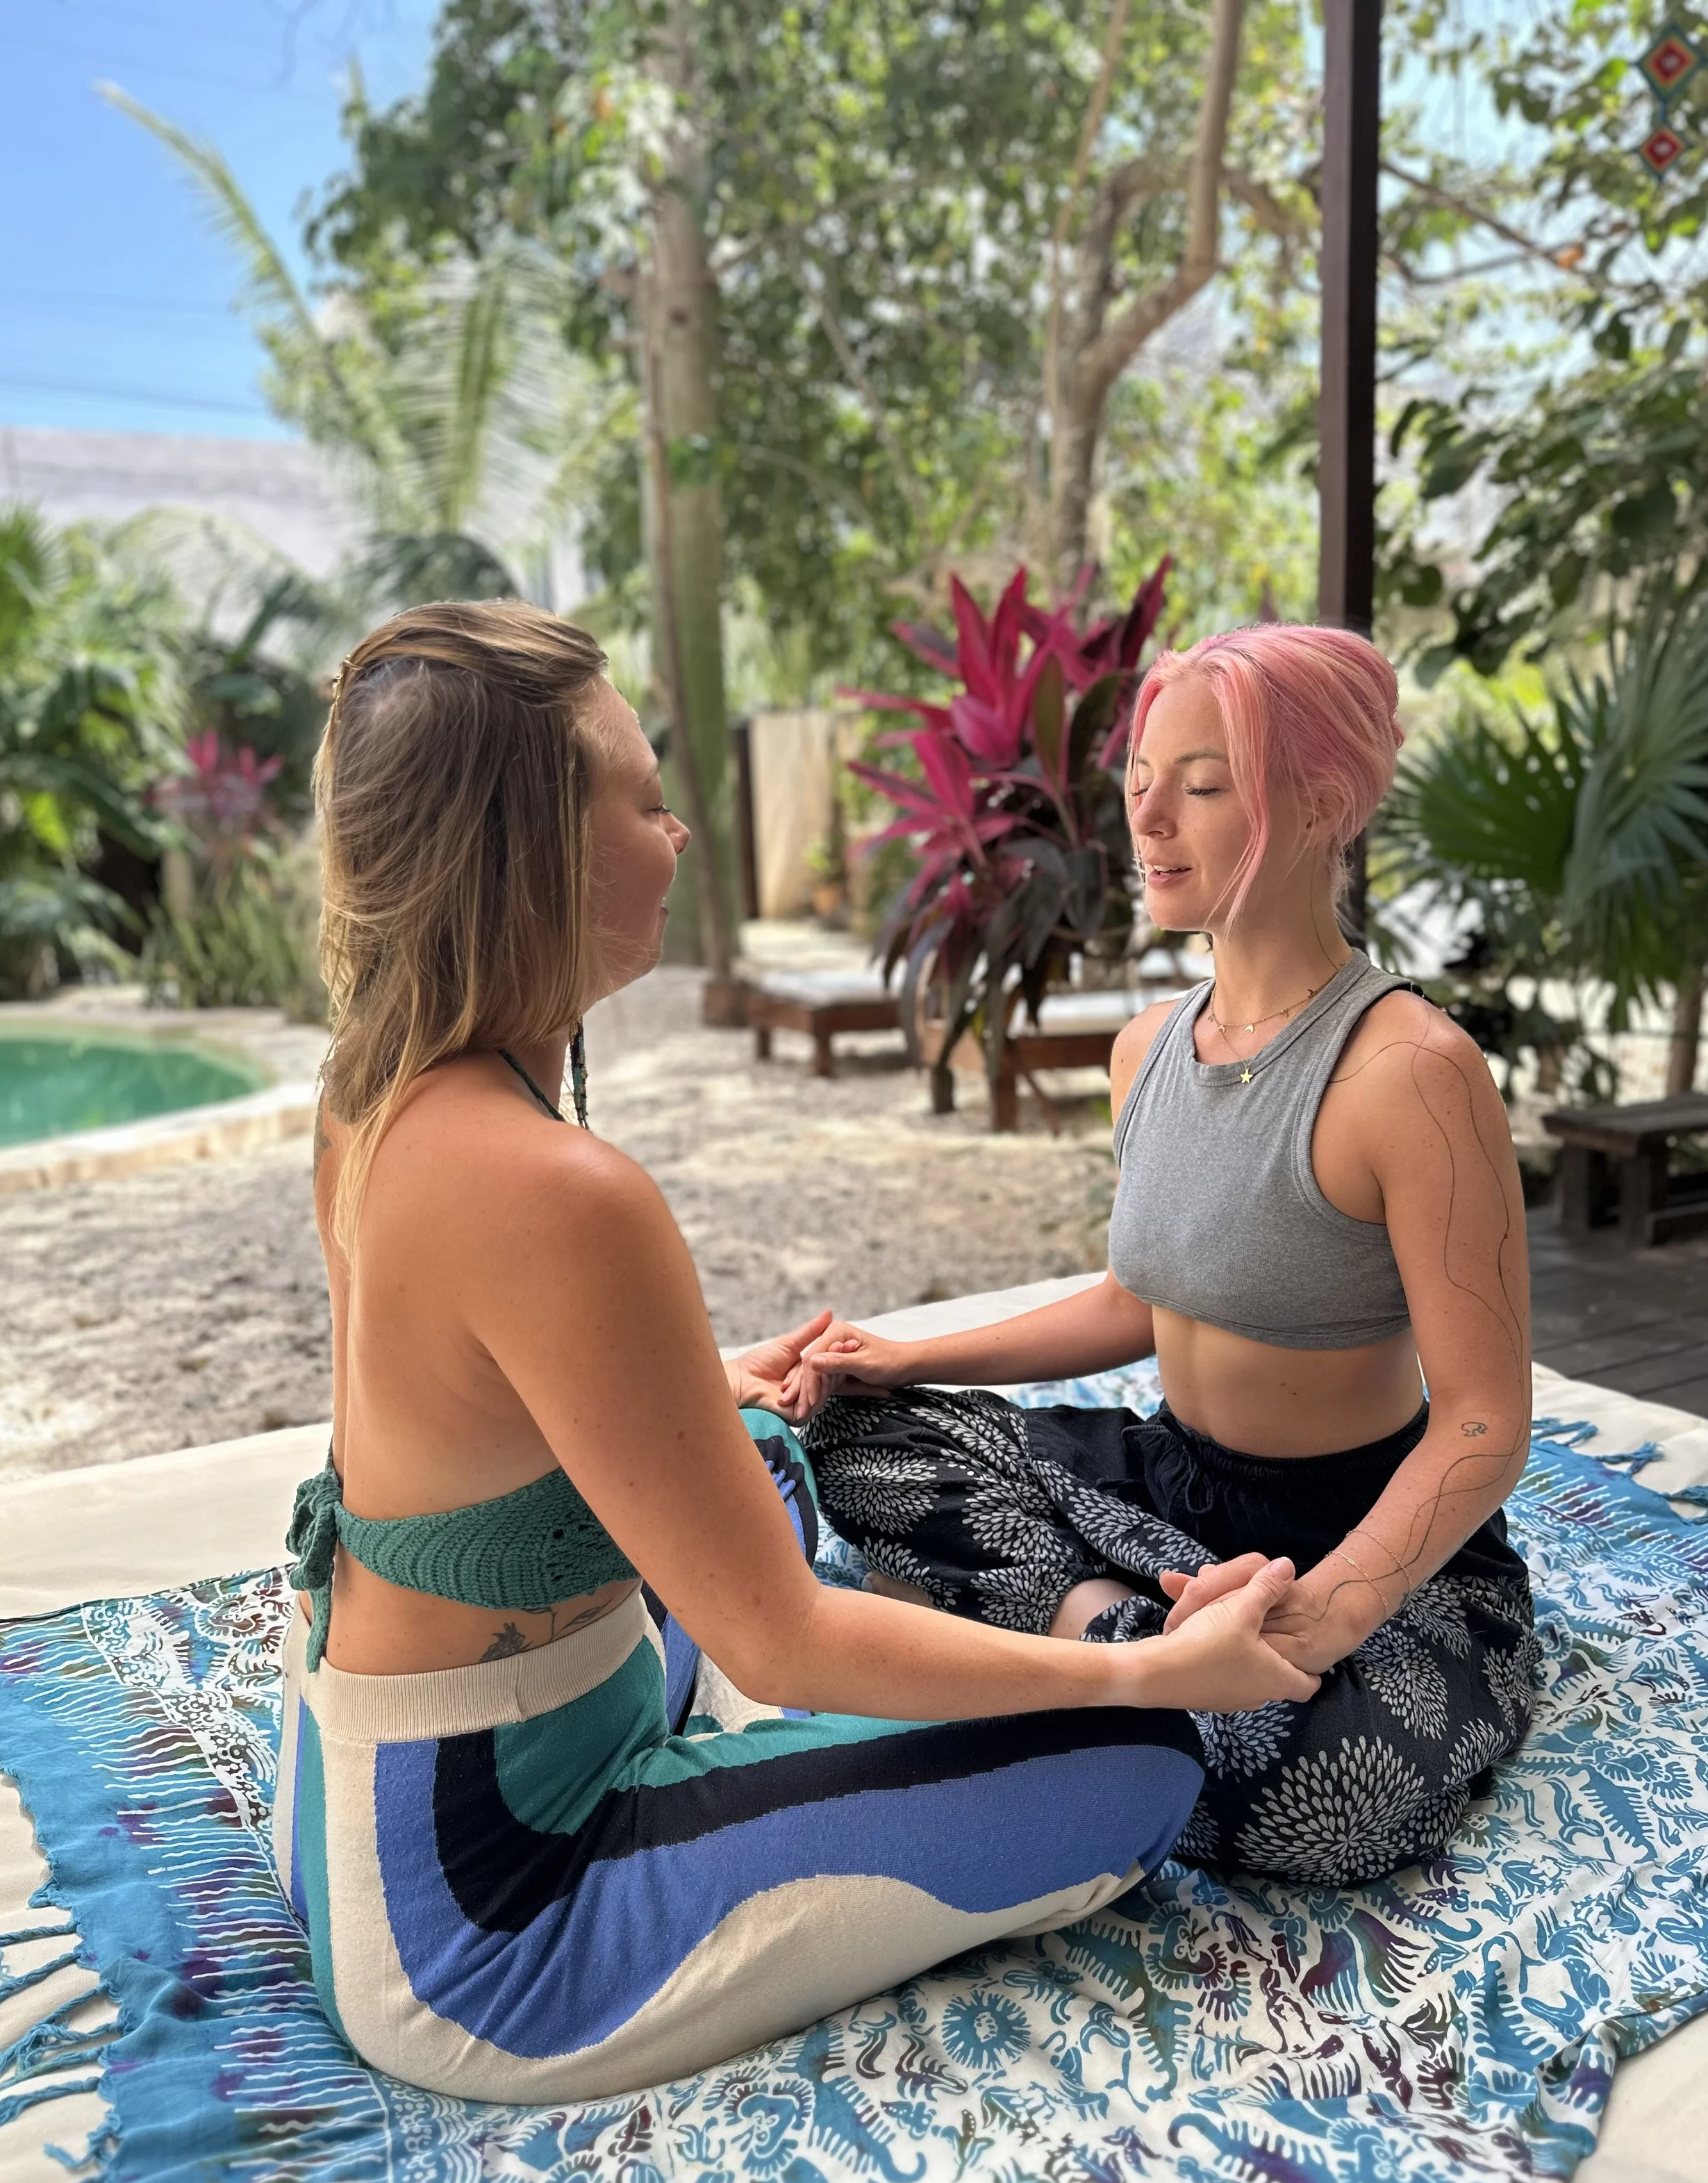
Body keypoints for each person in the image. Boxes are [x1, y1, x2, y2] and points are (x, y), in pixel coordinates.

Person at [270, 599, 1317, 2107]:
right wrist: (1154, 1668)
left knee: (761, 1450)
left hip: (361, 1778)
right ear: (534, 851)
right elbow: (780, 1643)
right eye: (642, 796)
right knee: (1137, 1765)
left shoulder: (376, 1089)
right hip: (486, 1906)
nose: (677, 829)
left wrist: (690, 1385)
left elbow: (450, 1409)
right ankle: (1060, 1675)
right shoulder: (554, 1189)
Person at [789, 625, 1541, 1886]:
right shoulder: (1147, 1047)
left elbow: (1483, 1421)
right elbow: (1138, 1300)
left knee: (1331, 1804)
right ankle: (1126, 1652)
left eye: (1202, 785)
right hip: (1170, 1496)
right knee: (855, 1445)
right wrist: (902, 1356)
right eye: (1142, 781)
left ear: (1320, 802)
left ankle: (1100, 1671)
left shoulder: (1411, 1074)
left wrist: (1331, 1609)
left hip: (1356, 1530)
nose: (1150, 820)